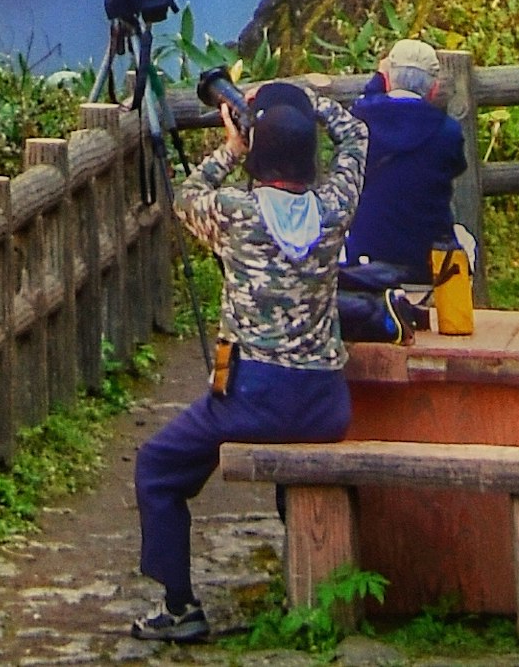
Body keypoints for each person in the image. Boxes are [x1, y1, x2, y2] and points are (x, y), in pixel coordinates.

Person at [130, 69, 371, 647]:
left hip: (253, 401)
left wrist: (232, 146)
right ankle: (315, 577)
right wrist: (307, 102)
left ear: (258, 159)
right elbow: (357, 138)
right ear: (310, 157)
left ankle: (180, 605)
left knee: (157, 467)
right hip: (324, 405)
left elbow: (187, 194)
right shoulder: (335, 210)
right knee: (299, 465)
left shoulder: (237, 215)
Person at [342, 38, 472, 332]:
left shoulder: (358, 121)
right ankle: (452, 316)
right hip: (428, 261)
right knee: (466, 242)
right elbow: (457, 166)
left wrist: (380, 76)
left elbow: (368, 98)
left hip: (365, 257)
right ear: (434, 88)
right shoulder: (448, 132)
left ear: (387, 78)